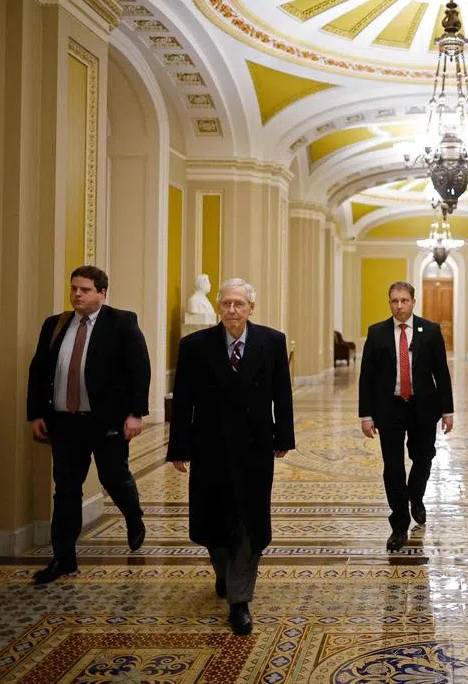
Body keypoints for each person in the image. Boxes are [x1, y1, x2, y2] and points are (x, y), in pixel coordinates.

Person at [167, 278, 295, 636]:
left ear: (251, 308)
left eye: (239, 304)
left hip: (254, 447)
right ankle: (223, 572)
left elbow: (282, 394)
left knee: (248, 521)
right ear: (219, 308)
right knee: (213, 521)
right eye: (226, 304)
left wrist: (284, 434)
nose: (232, 310)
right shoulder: (195, 346)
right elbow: (183, 401)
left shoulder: (271, 342)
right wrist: (179, 447)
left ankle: (240, 601)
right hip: (210, 447)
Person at [26, 265, 150, 585]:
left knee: (114, 477)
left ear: (102, 292)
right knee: (66, 491)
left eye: (84, 289)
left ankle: (133, 516)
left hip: (106, 422)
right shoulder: (55, 325)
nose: (77, 295)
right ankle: (63, 558)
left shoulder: (122, 322)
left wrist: (136, 413)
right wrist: (37, 413)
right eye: (74, 289)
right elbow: (38, 370)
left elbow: (139, 369)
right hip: (65, 423)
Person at [359, 282, 454, 551]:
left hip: (423, 406)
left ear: (413, 301)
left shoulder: (431, 331)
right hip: (389, 408)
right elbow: (367, 376)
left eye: (404, 300)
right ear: (389, 303)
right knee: (392, 465)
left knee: (423, 457)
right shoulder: (377, 333)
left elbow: (441, 373)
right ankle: (399, 525)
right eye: (394, 301)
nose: (399, 306)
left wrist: (447, 411)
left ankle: (416, 495)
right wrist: (366, 414)